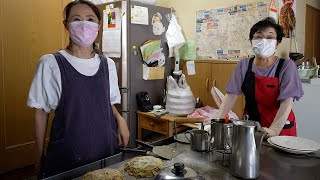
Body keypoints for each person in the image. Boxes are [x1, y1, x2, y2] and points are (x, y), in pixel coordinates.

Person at [27, 0, 130, 177]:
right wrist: (38, 157)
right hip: (67, 157)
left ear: (98, 26)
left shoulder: (108, 65)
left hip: (106, 151)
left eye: (90, 19)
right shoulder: (50, 64)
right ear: (66, 25)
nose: (84, 25)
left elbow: (106, 101)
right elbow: (41, 113)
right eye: (76, 19)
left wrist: (120, 119)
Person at [218, 17, 303, 138]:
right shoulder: (243, 65)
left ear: (278, 43)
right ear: (251, 41)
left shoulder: (287, 66)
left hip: (280, 127)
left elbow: (287, 102)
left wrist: (274, 130)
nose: (264, 41)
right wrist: (216, 121)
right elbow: (231, 96)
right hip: (251, 126)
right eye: (258, 37)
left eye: (270, 37)